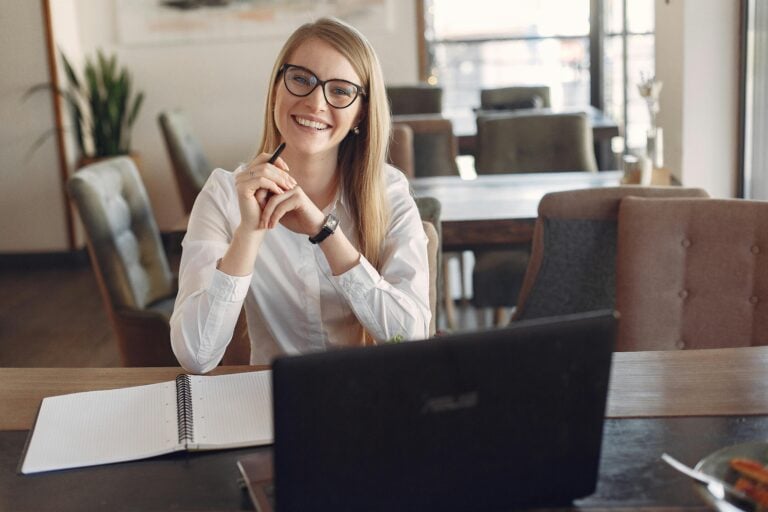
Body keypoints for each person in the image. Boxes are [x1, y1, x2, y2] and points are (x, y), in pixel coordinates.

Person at [171, 17, 430, 374]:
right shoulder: (224, 194)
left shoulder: (389, 192)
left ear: (361, 113)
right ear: (277, 87)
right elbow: (196, 356)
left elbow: (411, 340)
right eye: (301, 79)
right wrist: (250, 231)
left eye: (340, 90)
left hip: (369, 396)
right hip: (270, 403)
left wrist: (325, 233)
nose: (315, 102)